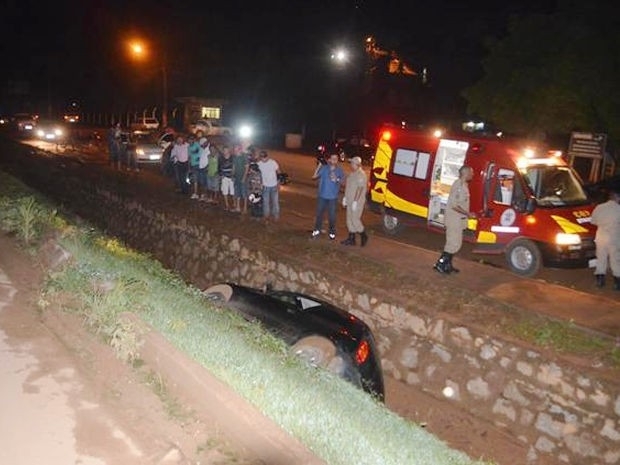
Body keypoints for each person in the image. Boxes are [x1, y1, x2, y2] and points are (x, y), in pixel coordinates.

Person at [434, 165, 476, 274]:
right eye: (471, 173)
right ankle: (440, 264)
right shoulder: (459, 185)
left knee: (456, 244)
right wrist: (468, 214)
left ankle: (448, 265)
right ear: (465, 173)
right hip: (454, 220)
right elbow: (454, 205)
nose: (473, 175)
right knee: (452, 244)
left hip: (458, 220)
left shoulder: (464, 185)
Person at [590, 189, 620, 289]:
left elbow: (593, 221)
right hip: (614, 238)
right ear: (617, 198)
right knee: (615, 259)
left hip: (601, 237)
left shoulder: (599, 207)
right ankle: (617, 283)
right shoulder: (618, 209)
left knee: (601, 258)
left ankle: (600, 281)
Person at [311, 153, 345, 240]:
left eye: (336, 159)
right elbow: (314, 177)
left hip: (332, 197)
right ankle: (316, 230)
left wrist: (336, 179)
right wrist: (319, 166)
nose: (334, 160)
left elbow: (343, 182)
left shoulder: (339, 171)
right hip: (322, 196)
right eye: (332, 158)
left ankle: (332, 232)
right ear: (329, 159)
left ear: (337, 161)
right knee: (319, 214)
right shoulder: (324, 168)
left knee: (332, 216)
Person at [341, 156, 368, 246]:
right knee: (349, 219)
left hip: (357, 202)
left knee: (355, 219)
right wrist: (345, 197)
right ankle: (351, 239)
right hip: (349, 200)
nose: (351, 165)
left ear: (357, 164)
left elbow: (360, 189)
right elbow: (348, 186)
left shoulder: (361, 175)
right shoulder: (352, 174)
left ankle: (363, 235)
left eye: (352, 163)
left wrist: (355, 201)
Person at [257, 150, 281, 223]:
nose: (264, 159)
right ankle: (266, 216)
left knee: (275, 202)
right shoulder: (259, 164)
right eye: (262, 158)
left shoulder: (273, 162)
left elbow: (279, 172)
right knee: (265, 202)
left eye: (265, 157)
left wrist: (278, 183)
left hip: (274, 185)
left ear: (267, 156)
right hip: (265, 186)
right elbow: (257, 174)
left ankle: (276, 216)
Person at [232, 143, 249, 214]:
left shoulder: (244, 156)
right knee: (237, 193)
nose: (235, 151)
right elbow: (234, 167)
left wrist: (244, 177)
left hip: (243, 178)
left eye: (236, 150)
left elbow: (247, 167)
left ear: (240, 149)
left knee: (244, 193)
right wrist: (232, 175)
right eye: (234, 150)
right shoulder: (235, 157)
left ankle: (245, 208)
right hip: (237, 177)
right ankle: (238, 207)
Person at [219, 145, 235, 210]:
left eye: (227, 150)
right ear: (223, 151)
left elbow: (234, 167)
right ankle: (227, 204)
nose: (225, 152)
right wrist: (221, 175)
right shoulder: (221, 158)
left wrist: (233, 175)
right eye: (224, 150)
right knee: (225, 191)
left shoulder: (232, 157)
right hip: (224, 177)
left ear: (229, 151)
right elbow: (219, 167)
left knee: (233, 191)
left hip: (231, 177)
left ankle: (234, 204)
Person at [187, 134, 201, 199]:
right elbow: (189, 157)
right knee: (194, 179)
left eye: (191, 139)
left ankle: (196, 193)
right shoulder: (189, 147)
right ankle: (196, 192)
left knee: (196, 179)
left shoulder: (197, 145)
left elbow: (200, 153)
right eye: (189, 140)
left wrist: (198, 158)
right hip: (193, 165)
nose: (190, 141)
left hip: (198, 164)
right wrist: (189, 166)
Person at [197, 137, 210, 201]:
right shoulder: (203, 149)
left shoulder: (209, 149)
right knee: (202, 183)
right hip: (201, 168)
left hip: (206, 168)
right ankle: (203, 195)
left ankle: (206, 196)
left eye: (202, 144)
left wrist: (207, 167)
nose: (202, 146)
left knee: (206, 183)